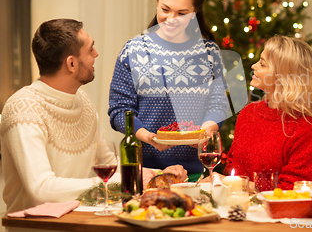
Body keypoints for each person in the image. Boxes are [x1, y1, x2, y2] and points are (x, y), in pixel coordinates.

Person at [0, 19, 186, 213]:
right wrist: (114, 183)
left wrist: (157, 174)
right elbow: (42, 189)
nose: (96, 54)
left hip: (83, 222)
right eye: (90, 50)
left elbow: (109, 164)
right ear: (71, 63)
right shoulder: (23, 108)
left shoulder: (82, 100)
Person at [108, 0, 228, 181]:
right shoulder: (134, 50)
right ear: (156, 4)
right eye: (165, 10)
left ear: (194, 13)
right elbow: (119, 109)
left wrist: (201, 134)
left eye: (182, 13)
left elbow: (218, 104)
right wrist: (149, 137)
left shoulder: (209, 52)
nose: (171, 19)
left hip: (196, 172)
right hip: (145, 173)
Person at [224, 35, 312, 190]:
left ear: (282, 76)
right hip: (235, 209)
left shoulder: (306, 130)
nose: (253, 66)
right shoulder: (248, 113)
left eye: (262, 64)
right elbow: (232, 168)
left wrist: (241, 185)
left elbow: (294, 190)